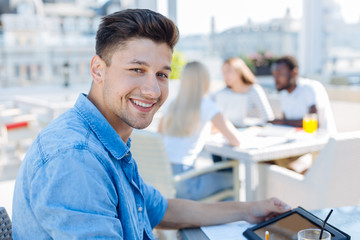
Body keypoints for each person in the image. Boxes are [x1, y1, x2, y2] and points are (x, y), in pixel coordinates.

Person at [12, 9, 290, 239]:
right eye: (137, 70)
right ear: (98, 69)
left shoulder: (106, 140)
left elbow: (162, 210)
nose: (153, 91)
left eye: (161, 75)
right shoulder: (76, 158)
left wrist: (250, 209)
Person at [158, 61, 240, 200]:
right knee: (233, 179)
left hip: (164, 182)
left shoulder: (173, 104)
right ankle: (225, 220)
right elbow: (235, 140)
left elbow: (160, 133)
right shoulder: (206, 104)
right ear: (205, 81)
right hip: (186, 184)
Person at [269, 55, 336, 133]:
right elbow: (285, 123)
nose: (275, 79)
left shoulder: (309, 88)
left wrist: (282, 122)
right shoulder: (284, 93)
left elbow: (314, 123)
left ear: (294, 73)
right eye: (274, 75)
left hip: (322, 141)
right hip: (300, 139)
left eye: (279, 74)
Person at [212, 57, 274, 128]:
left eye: (229, 71)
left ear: (239, 71)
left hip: (250, 132)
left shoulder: (254, 90)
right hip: (227, 132)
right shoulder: (222, 93)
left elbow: (268, 118)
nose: (225, 76)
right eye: (223, 72)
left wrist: (250, 125)